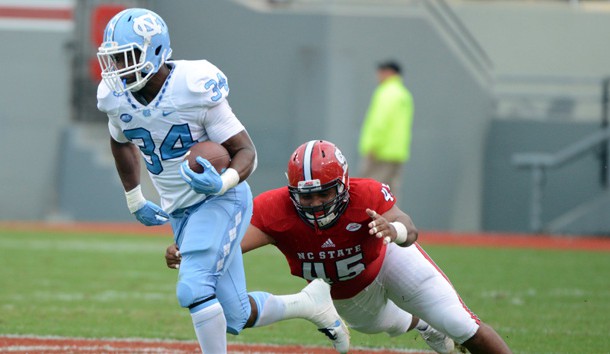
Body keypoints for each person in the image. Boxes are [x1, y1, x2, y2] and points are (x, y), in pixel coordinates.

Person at [96, 8, 348, 354]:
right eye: (113, 59)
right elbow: (120, 140)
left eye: (126, 57)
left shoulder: (191, 85)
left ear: (155, 51)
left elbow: (245, 150)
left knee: (193, 288)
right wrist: (135, 197)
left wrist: (223, 182)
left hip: (220, 200)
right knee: (236, 313)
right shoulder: (114, 96)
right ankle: (310, 304)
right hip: (182, 211)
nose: (118, 69)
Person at [166, 139, 513, 354]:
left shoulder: (366, 194)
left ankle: (442, 326)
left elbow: (410, 228)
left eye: (324, 192)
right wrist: (193, 252)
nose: (315, 202)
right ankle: (424, 326)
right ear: (292, 191)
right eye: (306, 194)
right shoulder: (275, 210)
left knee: (463, 325)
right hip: (349, 294)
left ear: (344, 185)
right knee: (388, 325)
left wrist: (391, 229)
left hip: (388, 258)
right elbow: (227, 245)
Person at [358, 60, 414, 201]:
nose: (378, 76)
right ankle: (393, 221)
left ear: (389, 72)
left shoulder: (386, 93)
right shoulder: (403, 94)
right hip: (397, 151)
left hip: (381, 151)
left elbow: (380, 122)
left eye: (381, 72)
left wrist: (372, 146)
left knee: (369, 188)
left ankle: (370, 221)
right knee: (391, 191)